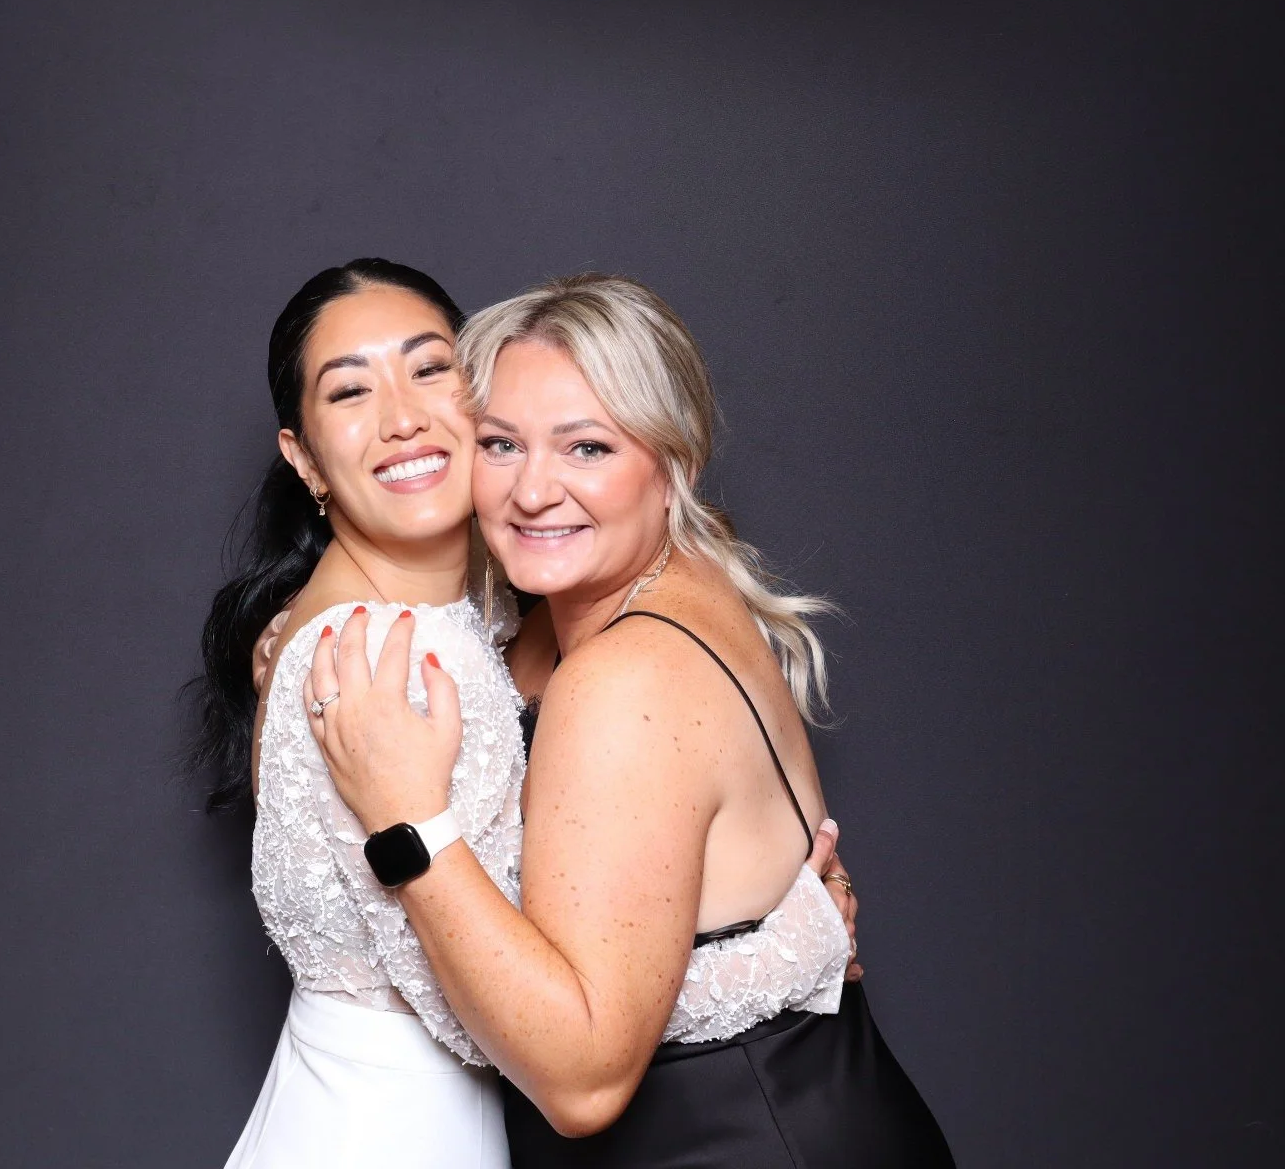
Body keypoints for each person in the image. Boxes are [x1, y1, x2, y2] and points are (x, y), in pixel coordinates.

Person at [197, 260, 856, 1168]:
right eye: (351, 390)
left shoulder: (492, 626)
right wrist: (794, 944)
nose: (402, 416)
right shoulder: (386, 664)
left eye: (431, 371)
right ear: (305, 458)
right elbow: (514, 1032)